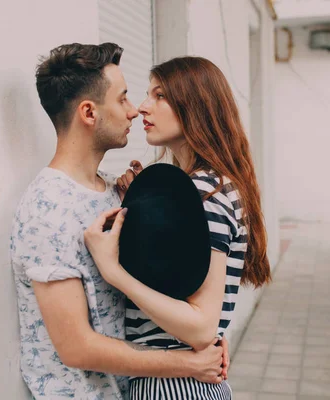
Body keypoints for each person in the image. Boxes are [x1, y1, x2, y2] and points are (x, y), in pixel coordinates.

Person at [10, 43, 227, 400]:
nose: (133, 111)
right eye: (123, 99)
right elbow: (76, 348)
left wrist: (208, 340)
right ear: (89, 113)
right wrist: (189, 364)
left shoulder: (116, 190)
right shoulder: (47, 211)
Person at [84, 56, 272, 399]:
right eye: (146, 95)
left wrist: (113, 271)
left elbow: (201, 327)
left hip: (173, 388)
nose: (143, 107)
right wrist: (147, 209)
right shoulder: (205, 187)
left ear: (196, 107)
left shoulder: (204, 192)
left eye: (160, 96)